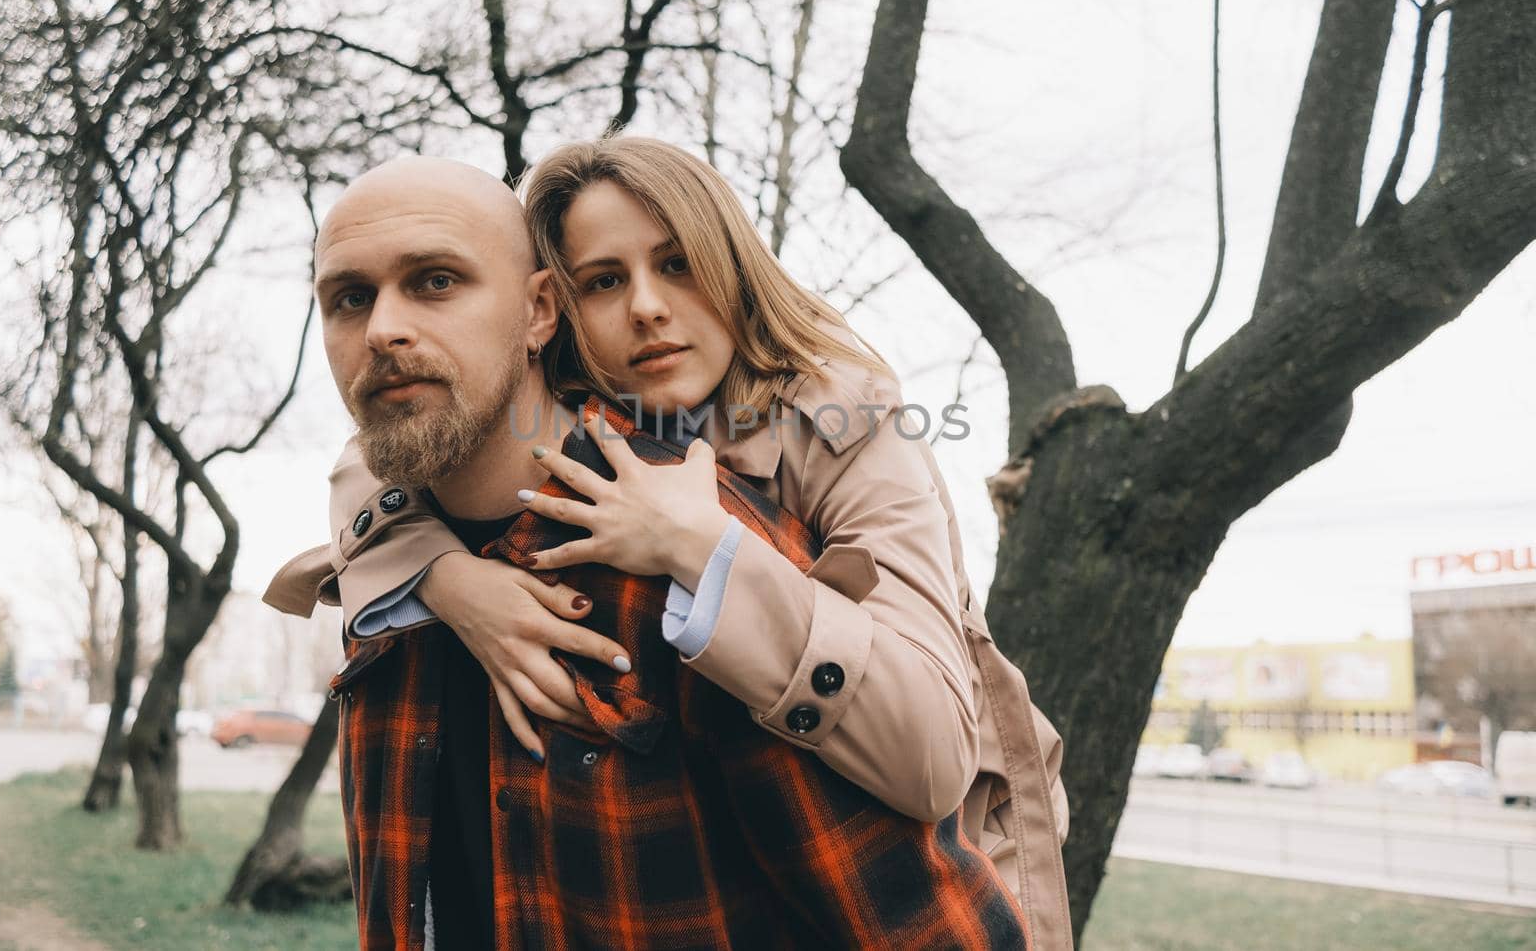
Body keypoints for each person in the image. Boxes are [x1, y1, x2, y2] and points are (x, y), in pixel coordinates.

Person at [267, 137, 1071, 948]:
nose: (646, 306)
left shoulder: (846, 426)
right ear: (555, 308)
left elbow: (930, 761)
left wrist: (705, 547)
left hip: (952, 802)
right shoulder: (536, 425)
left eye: (678, 264)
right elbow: (382, 451)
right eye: (604, 280)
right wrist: (449, 581)